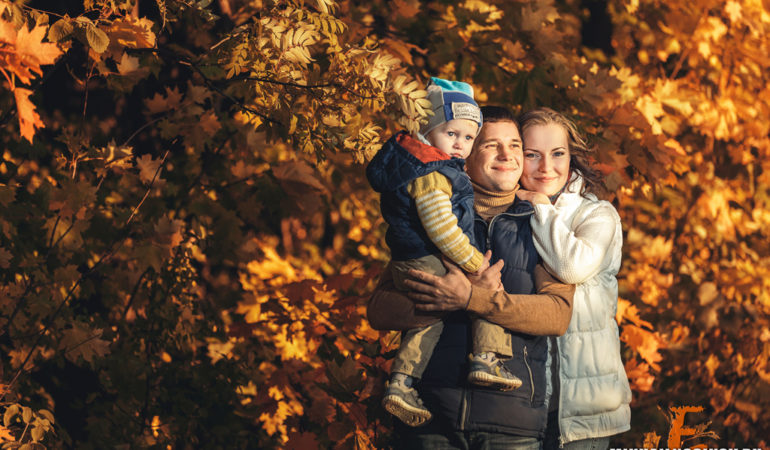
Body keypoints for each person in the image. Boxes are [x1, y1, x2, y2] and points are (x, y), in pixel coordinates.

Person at [367, 106, 576, 449]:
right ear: (464, 154)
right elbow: (379, 309)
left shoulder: (542, 224)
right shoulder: (433, 220)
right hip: (430, 416)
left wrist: (470, 299)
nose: (507, 155)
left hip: (512, 421)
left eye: (515, 146)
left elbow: (556, 313)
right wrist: (444, 300)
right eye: (491, 145)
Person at [366, 79, 522, 428]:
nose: (460, 144)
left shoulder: (418, 164)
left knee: (434, 320)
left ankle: (402, 383)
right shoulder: (431, 173)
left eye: (468, 137)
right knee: (487, 285)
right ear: (426, 128)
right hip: (424, 256)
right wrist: (472, 263)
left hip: (413, 255)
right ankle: (485, 358)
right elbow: (441, 228)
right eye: (452, 133)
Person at [515, 107, 631, 449]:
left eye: (557, 154)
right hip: (522, 405)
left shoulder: (598, 214)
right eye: (531, 155)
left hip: (584, 410)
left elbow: (572, 268)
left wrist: (539, 204)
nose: (546, 167)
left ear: (572, 156)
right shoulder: (505, 213)